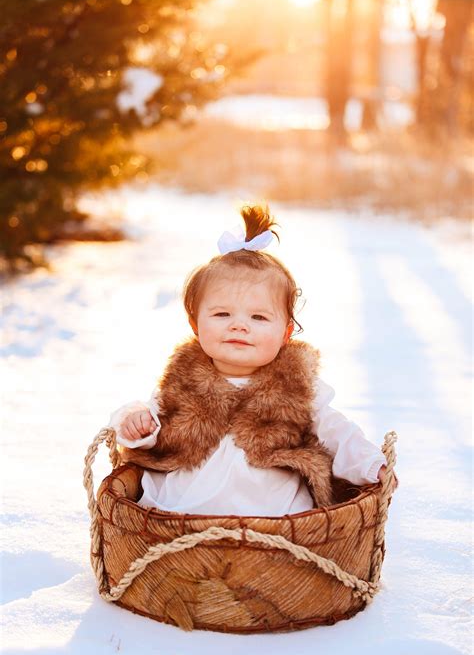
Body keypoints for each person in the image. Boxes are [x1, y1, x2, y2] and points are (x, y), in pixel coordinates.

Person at [110, 205, 388, 517]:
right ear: (194, 325)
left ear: (285, 333)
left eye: (258, 317)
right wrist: (138, 424)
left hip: (275, 516)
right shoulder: (182, 380)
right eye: (222, 314)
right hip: (179, 511)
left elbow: (337, 432)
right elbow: (151, 420)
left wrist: (370, 464)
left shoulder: (298, 386)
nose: (239, 325)